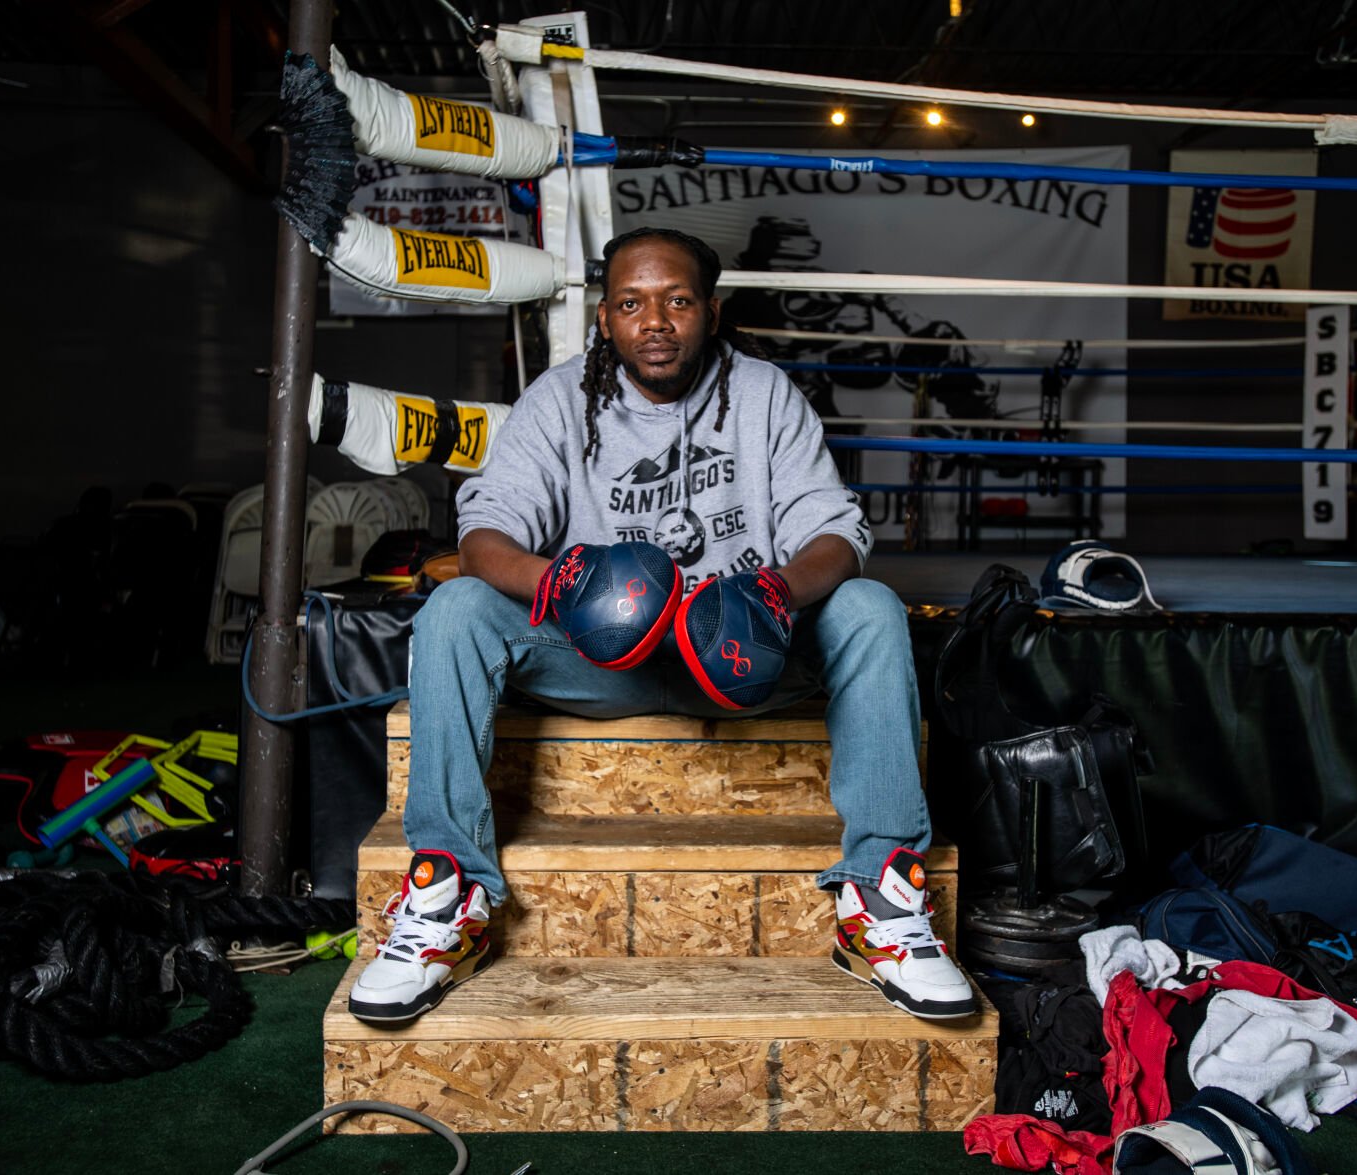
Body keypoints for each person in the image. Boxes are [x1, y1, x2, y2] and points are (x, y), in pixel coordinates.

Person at [348, 227, 976, 1024]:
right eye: (632, 303)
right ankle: (447, 893)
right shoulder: (558, 399)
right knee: (456, 609)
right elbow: (484, 534)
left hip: (746, 656)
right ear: (604, 318)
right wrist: (563, 580)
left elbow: (835, 529)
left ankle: (881, 900)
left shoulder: (763, 394)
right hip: (605, 663)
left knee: (868, 607)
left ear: (710, 312)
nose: (655, 321)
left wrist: (775, 592)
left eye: (677, 301)